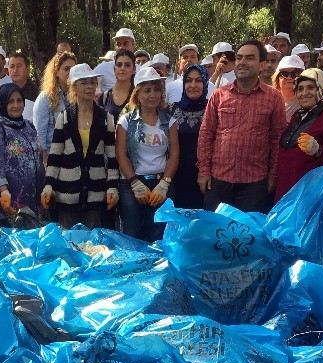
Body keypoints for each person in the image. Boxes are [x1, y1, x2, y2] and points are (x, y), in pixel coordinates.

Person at [196, 40, 287, 213]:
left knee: (248, 237)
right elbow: (206, 134)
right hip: (218, 180)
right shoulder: (219, 95)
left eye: (250, 58)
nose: (242, 62)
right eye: (239, 58)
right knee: (216, 235)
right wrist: (204, 171)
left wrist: (272, 177)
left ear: (261, 64)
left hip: (254, 183)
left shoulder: (274, 98)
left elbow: (277, 139)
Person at [41, 63, 119, 228]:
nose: (89, 87)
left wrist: (112, 187)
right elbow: (55, 156)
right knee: (69, 245)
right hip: (67, 194)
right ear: (74, 87)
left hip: (95, 194)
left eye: (92, 82)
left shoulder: (106, 119)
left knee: (92, 246)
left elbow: (112, 158)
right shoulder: (64, 118)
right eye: (84, 82)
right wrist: (49, 186)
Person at [115, 66, 179, 241]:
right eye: (147, 90)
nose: (153, 95)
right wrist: (134, 182)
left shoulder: (169, 121)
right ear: (137, 94)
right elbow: (121, 154)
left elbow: (174, 154)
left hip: (161, 183)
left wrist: (165, 183)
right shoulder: (126, 122)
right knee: (133, 234)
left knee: (160, 236)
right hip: (133, 184)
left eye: (157, 90)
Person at [274, 68, 323, 201]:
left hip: (307, 192)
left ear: (322, 88)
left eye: (311, 88)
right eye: (300, 89)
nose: (304, 93)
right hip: (285, 188)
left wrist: (318, 150)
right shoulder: (297, 115)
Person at [0, 83, 44, 216]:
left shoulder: (28, 126)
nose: (16, 105)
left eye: (19, 100)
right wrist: (3, 192)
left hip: (36, 198)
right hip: (12, 199)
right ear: (2, 103)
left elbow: (39, 158)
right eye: (11, 101)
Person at [170, 63, 209, 210]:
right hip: (176, 176)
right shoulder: (171, 109)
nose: (193, 85)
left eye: (198, 80)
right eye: (188, 80)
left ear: (205, 83)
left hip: (203, 177)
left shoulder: (212, 108)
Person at [33, 50, 77, 155]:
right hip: (53, 156)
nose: (70, 73)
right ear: (56, 72)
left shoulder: (78, 97)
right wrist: (46, 161)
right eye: (66, 69)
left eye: (73, 69)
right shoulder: (45, 98)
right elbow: (40, 134)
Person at [97, 49, 135, 120]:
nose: (122, 68)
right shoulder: (105, 97)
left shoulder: (139, 95)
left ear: (134, 70)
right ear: (114, 69)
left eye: (127, 65)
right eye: (119, 65)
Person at [98, 28, 136, 92]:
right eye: (118, 44)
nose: (121, 47)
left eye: (125, 43)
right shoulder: (102, 68)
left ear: (133, 45)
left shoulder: (141, 70)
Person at [272, 54, 305, 120]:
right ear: (277, 78)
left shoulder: (308, 104)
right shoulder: (269, 101)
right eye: (285, 74)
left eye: (295, 74)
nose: (289, 78)